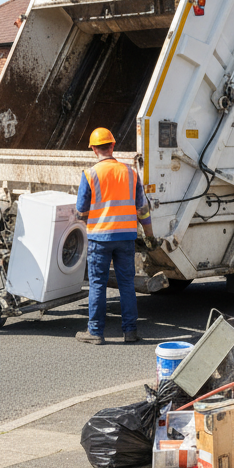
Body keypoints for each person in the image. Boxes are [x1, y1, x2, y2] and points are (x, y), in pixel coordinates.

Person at [75, 128, 157, 344]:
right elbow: (142, 209)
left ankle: (95, 332)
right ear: (112, 146)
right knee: (127, 285)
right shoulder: (130, 173)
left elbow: (81, 211)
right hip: (126, 238)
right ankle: (130, 331)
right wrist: (149, 234)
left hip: (100, 238)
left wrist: (89, 224)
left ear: (93, 149)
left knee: (98, 285)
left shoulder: (89, 174)